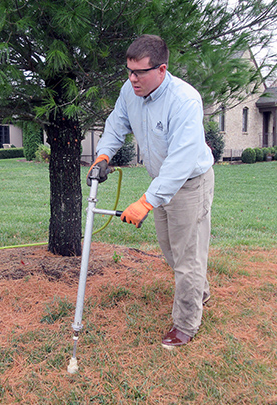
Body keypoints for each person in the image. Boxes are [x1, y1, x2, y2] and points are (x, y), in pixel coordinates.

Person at [88, 34, 215, 349]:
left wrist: (146, 201)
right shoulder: (131, 92)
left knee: (187, 256)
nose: (133, 79)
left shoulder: (184, 100)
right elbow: (117, 124)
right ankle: (199, 291)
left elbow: (181, 161)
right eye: (129, 71)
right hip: (161, 181)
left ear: (162, 69)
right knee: (170, 249)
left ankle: (186, 324)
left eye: (140, 72)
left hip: (189, 183)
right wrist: (103, 155)